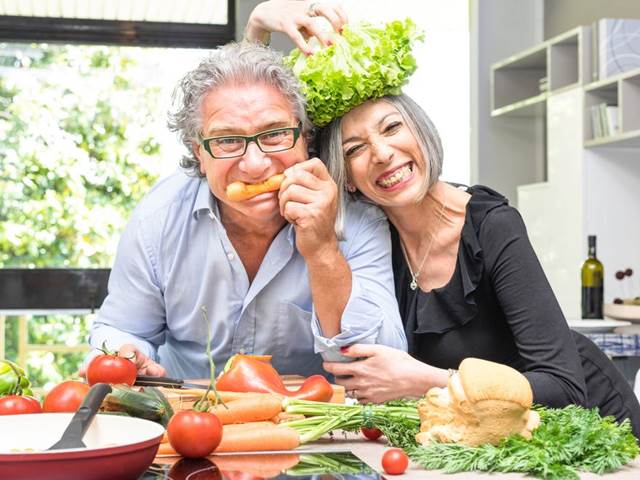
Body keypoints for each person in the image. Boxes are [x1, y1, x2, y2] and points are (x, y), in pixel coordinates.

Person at [245, 1, 640, 436]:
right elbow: (264, 138)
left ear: (421, 131)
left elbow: (564, 387)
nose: (381, 153)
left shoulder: (491, 225)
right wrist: (258, 25)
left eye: (392, 128)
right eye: (355, 149)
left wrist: (425, 380)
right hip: (490, 440)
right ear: (347, 179)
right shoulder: (370, 240)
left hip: (591, 430)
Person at [87, 41, 406, 380]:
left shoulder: (357, 218)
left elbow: (380, 363)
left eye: (275, 134)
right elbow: (124, 329)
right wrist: (127, 354)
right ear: (199, 152)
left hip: (310, 424)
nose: (255, 165)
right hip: (188, 416)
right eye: (227, 141)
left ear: (304, 136)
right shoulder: (158, 218)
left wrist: (323, 250)